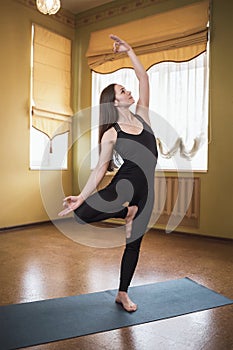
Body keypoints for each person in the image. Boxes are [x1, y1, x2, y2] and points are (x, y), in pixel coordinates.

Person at [59, 34, 158, 312]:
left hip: (146, 191)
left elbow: (144, 79)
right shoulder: (112, 134)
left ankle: (122, 294)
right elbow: (101, 168)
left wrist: (130, 50)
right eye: (122, 91)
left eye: (126, 89)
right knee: (82, 212)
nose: (128, 92)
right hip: (123, 187)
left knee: (134, 245)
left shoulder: (143, 116)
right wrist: (81, 196)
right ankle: (123, 211)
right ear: (114, 103)